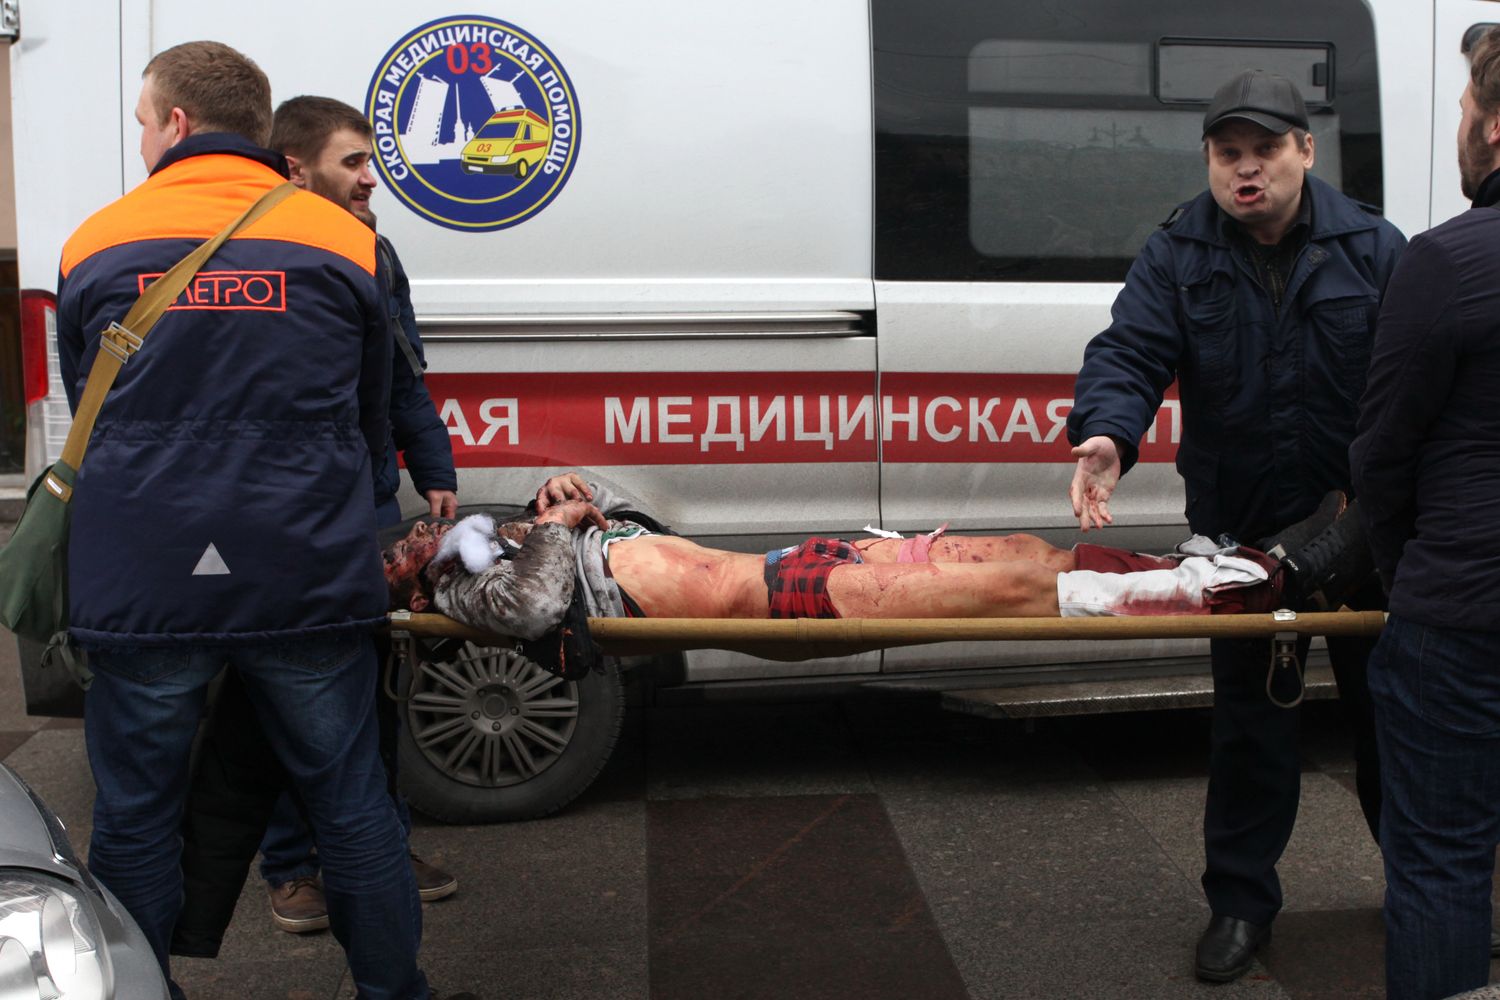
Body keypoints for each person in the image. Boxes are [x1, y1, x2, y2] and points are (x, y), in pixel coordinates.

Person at [55, 42, 437, 999]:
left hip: (143, 578)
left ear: (176, 124)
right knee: (350, 805)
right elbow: (368, 415)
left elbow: (86, 416)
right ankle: (395, 994)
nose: (142, 137)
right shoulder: (345, 242)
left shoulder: (92, 242)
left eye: (143, 121)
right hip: (301, 567)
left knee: (138, 817)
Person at [1063, 69, 1406, 982]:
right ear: (1210, 162)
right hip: (1245, 542)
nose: (1245, 171)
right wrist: (1107, 434)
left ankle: (1425, 892)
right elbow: (1130, 348)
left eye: (1264, 151)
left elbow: (1423, 385)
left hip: (1368, 534)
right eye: (1228, 155)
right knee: (1251, 733)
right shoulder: (1180, 250)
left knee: (1397, 725)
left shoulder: (1376, 249)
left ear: (1305, 150)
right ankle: (1242, 907)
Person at [254, 94, 459, 935]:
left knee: (373, 685)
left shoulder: (374, 250)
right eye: (352, 163)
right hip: (278, 510)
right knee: (284, 688)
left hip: (365, 498)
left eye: (369, 162)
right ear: (296, 166)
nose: (370, 179)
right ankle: (292, 868)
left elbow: (404, 371)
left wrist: (432, 463)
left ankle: (376, 848)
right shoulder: (255, 248)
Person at [381, 473, 1366, 635]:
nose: (415, 534)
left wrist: (586, 504)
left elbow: (631, 531)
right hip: (789, 595)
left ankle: (1205, 557)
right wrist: (557, 526)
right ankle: (1239, 581)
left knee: (1023, 546)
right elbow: (542, 608)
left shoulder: (487, 540)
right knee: (1020, 586)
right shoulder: (465, 588)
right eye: (400, 545)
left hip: (794, 559)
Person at [1350, 25, 1500, 1000]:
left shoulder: (1445, 261)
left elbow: (1382, 453)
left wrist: (1411, 574)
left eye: (1463, 106)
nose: (1459, 125)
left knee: (1443, 863)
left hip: (1465, 619)